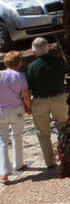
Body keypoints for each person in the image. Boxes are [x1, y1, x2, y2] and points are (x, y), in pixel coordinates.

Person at [26, 37, 67, 172]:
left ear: (34, 52)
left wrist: (27, 105)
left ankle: (50, 162)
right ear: (48, 48)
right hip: (59, 98)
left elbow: (29, 89)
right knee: (63, 127)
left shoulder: (31, 67)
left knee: (43, 133)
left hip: (40, 101)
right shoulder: (59, 61)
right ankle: (66, 156)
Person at [0, 50, 31, 183]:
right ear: (18, 63)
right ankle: (18, 163)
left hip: (1, 110)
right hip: (17, 109)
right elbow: (26, 96)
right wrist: (28, 107)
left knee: (2, 141)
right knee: (17, 136)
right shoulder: (21, 76)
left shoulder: (0, 75)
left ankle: (4, 171)